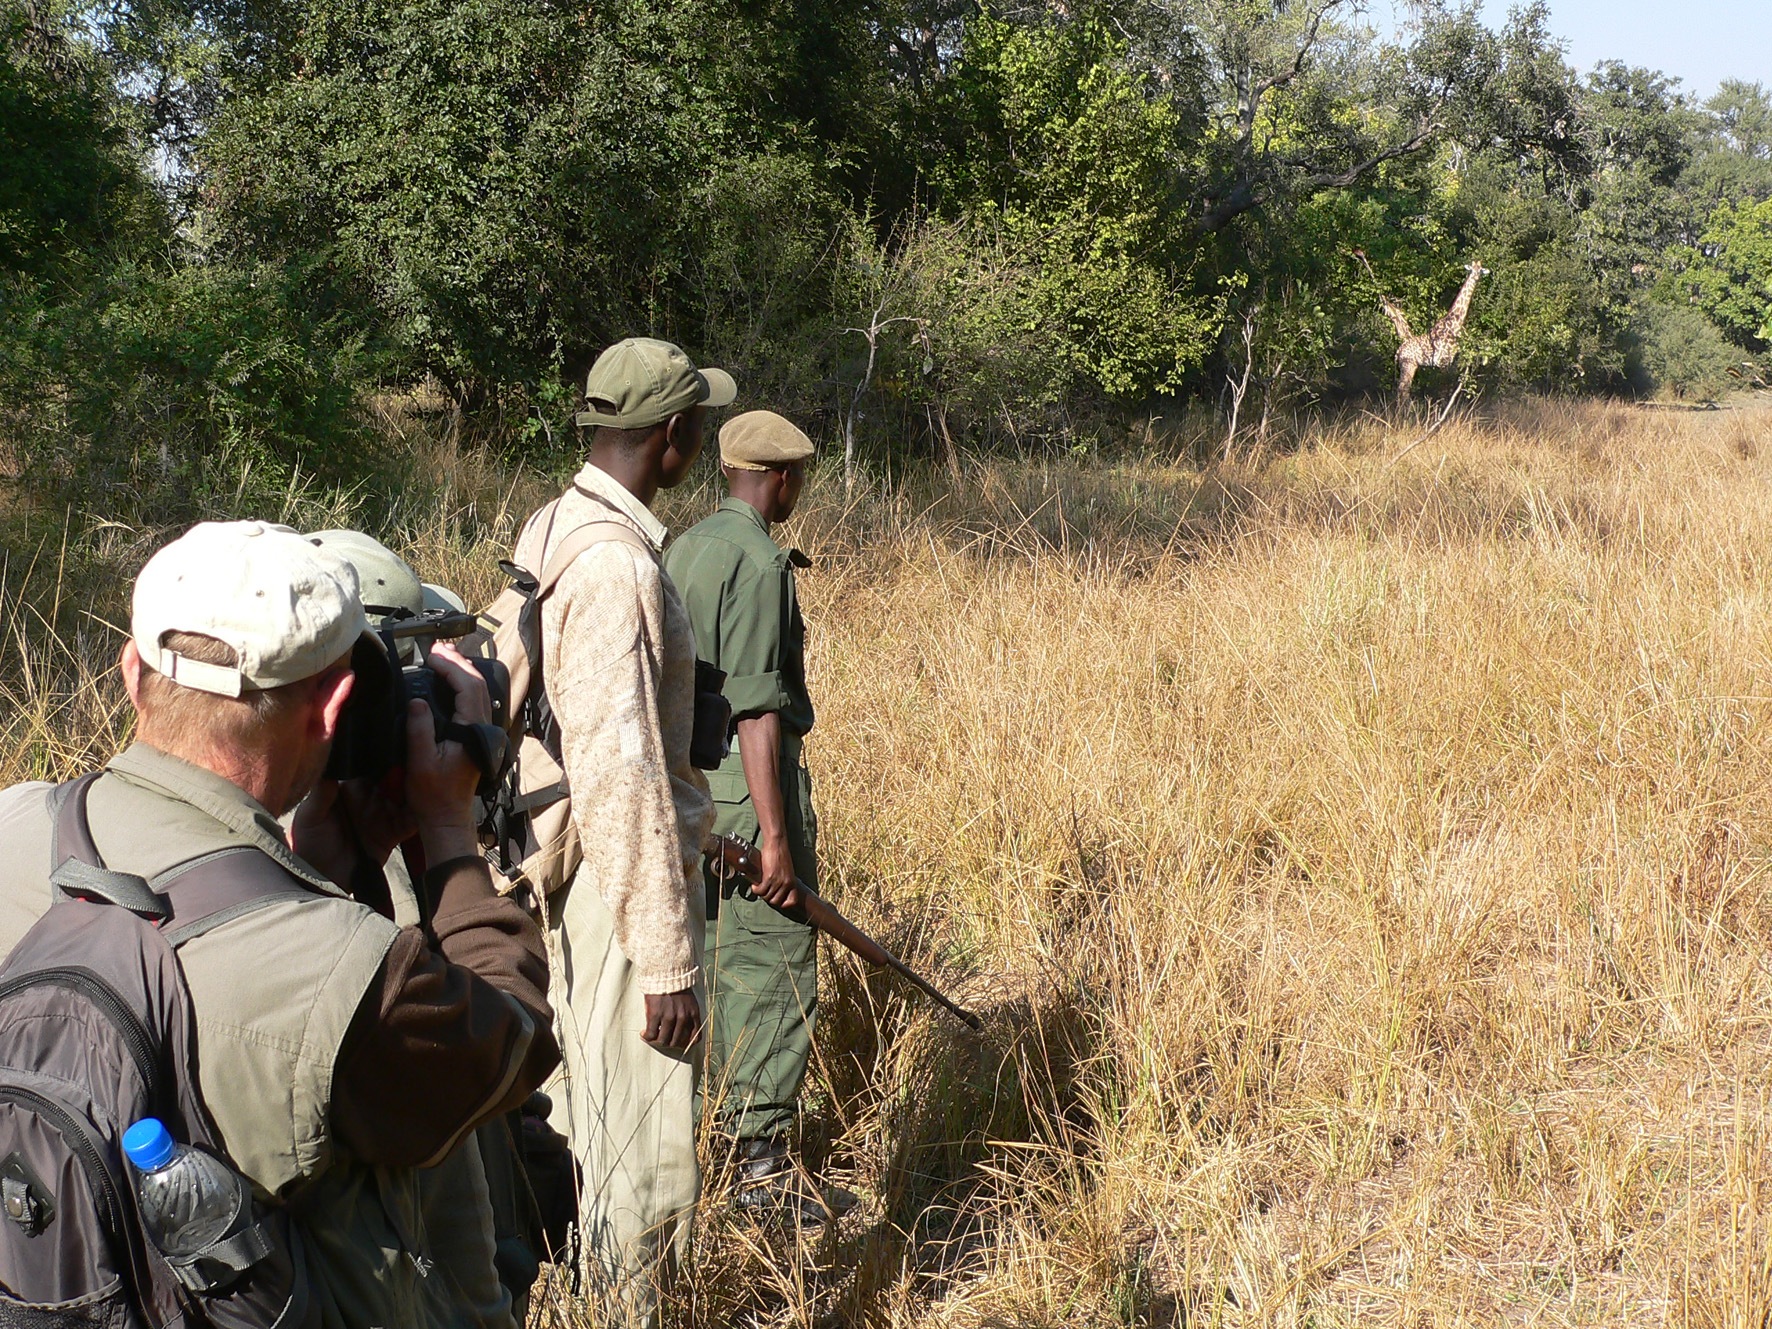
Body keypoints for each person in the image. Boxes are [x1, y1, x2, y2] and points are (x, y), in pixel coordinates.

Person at [0, 520, 559, 1329]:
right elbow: (511, 1046)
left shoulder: (15, 824)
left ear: (132, 673)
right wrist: (446, 832)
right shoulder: (344, 972)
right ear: (335, 705)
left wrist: (328, 868)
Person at [515, 337, 732, 1324]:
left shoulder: (554, 523)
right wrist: (665, 958)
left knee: (578, 1127)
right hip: (612, 888)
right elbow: (620, 766)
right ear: (675, 436)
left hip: (571, 868)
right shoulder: (612, 565)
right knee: (639, 1159)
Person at [661, 410, 844, 1224]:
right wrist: (775, 835)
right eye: (796, 478)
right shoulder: (762, 560)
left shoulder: (682, 545)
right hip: (747, 781)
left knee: (706, 955)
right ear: (779, 480)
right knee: (772, 963)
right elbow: (759, 710)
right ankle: (761, 1171)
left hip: (689, 780)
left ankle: (708, 1140)